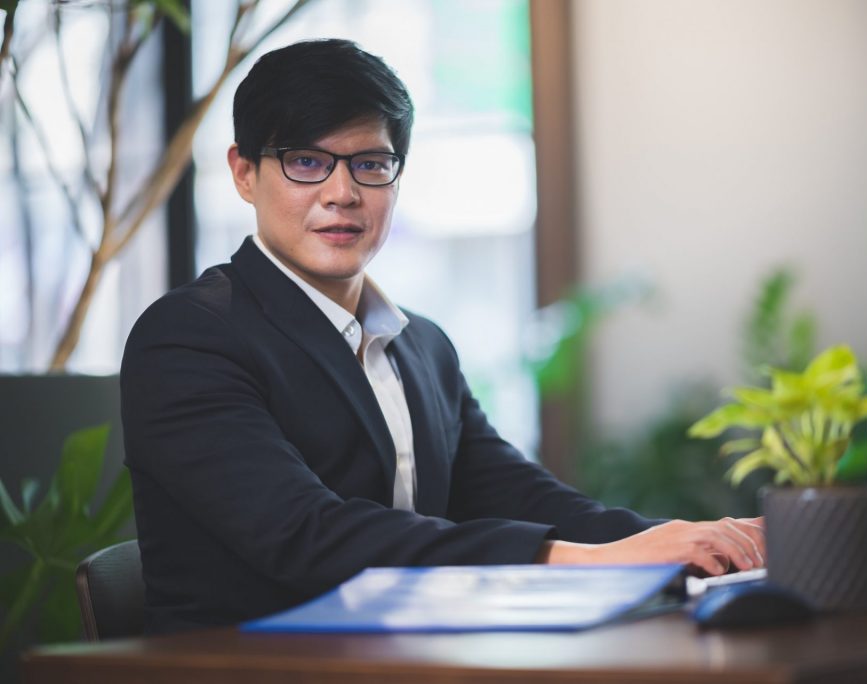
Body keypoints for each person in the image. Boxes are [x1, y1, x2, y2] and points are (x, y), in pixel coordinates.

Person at [120, 38, 765, 635]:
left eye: (370, 163)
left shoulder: (421, 344)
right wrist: (592, 561)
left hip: (414, 654)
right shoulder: (188, 339)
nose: (342, 193)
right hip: (250, 669)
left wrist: (696, 539)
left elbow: (520, 493)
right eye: (307, 162)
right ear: (243, 173)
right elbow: (307, 536)